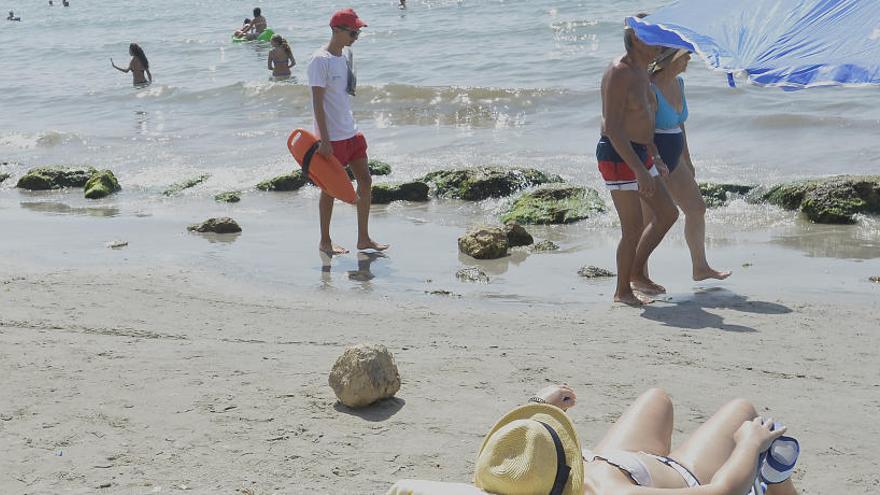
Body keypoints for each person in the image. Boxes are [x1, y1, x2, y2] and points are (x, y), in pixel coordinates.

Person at [473, 384, 800, 495]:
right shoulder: (612, 494)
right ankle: (774, 477)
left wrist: (539, 404)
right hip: (681, 475)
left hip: (614, 460)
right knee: (741, 411)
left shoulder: (505, 478)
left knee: (656, 399)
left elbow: (516, 448)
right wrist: (749, 444)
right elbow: (724, 491)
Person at [596, 19, 679, 306]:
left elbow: (645, 119)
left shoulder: (642, 71)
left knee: (668, 213)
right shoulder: (619, 72)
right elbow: (614, 127)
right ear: (634, 38)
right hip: (619, 154)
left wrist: (654, 156)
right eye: (653, 38)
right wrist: (639, 170)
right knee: (631, 227)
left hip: (641, 152)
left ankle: (636, 273)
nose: (658, 45)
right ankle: (622, 291)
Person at [307, 8, 388, 255]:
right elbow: (317, 103)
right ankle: (325, 241)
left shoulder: (344, 57)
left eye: (357, 33)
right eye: (352, 32)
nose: (355, 37)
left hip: (351, 133)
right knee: (329, 191)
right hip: (331, 138)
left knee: (365, 180)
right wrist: (324, 141)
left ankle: (363, 238)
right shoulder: (319, 60)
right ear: (336, 30)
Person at [649, 48, 731, 282]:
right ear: (670, 58)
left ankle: (700, 267)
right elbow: (643, 130)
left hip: (676, 159)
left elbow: (680, 125)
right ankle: (639, 276)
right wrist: (654, 160)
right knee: (648, 221)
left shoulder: (680, 84)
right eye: (685, 54)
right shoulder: (650, 88)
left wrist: (687, 159)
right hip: (654, 161)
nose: (689, 59)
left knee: (696, 208)